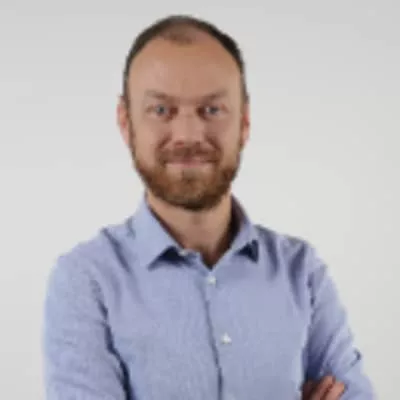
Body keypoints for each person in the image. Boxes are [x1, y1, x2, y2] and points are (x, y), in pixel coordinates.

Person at [42, 14, 375, 400]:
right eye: (161, 110)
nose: (188, 135)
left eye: (212, 110)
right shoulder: (86, 281)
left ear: (244, 122)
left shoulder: (302, 272)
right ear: (125, 121)